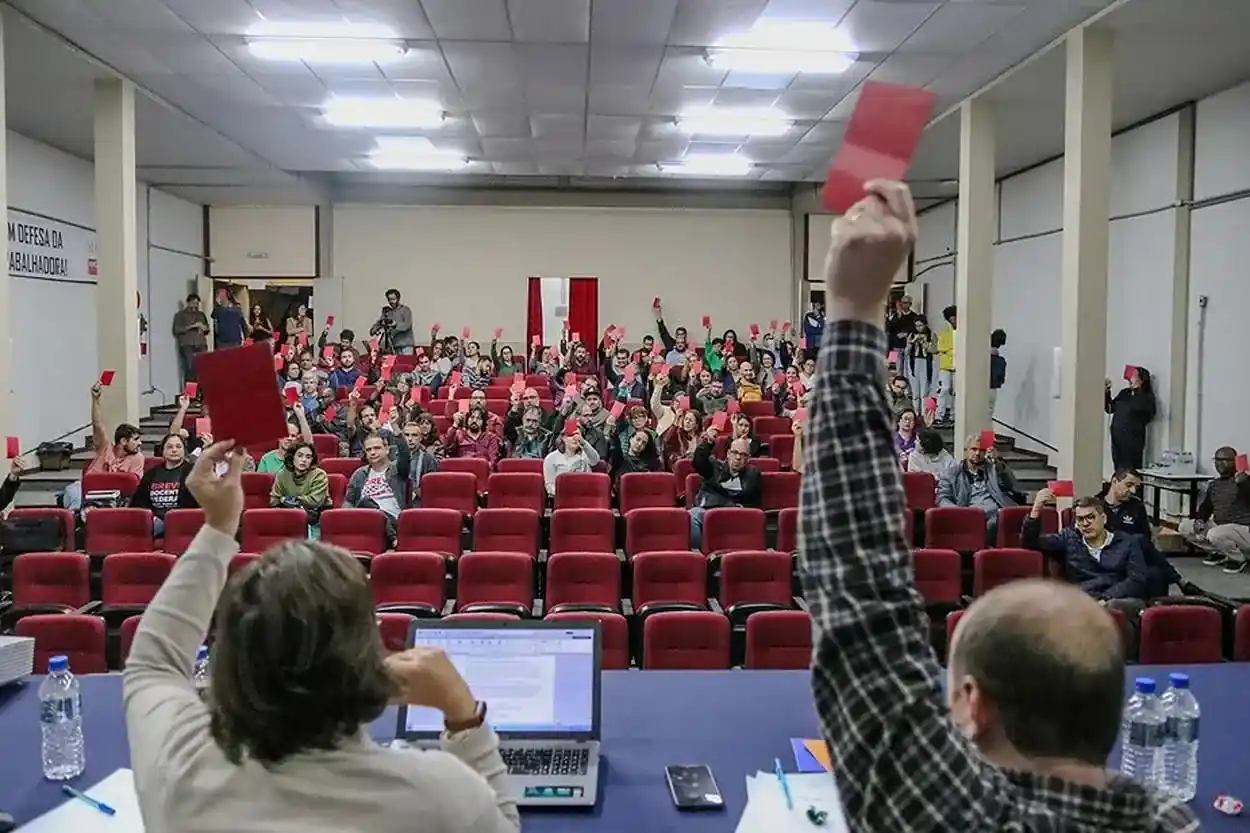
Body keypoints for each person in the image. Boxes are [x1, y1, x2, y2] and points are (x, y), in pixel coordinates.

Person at [799, 179, 1196, 833]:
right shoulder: (1172, 823)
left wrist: (851, 307)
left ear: (970, 706)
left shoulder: (937, 813)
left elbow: (859, 599)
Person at [122, 442, 520, 833]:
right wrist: (463, 716)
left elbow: (152, 663)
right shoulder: (436, 795)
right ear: (369, 660)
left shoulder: (180, 769)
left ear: (229, 659)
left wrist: (217, 526)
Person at [63, 383, 146, 511]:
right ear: (123, 441)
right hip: (87, 489)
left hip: (112, 495)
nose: (140, 443)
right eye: (136, 440)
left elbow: (132, 487)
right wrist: (95, 399)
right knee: (76, 495)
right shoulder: (105, 448)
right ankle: (77, 519)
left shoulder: (137, 458)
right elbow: (98, 425)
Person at [1179, 445, 1250, 574]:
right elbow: (1206, 507)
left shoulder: (1244, 480)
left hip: (1244, 529)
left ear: (1235, 461)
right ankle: (1220, 552)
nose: (1219, 463)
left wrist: (1245, 483)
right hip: (1221, 527)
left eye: (1224, 460)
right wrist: (1200, 520)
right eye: (1217, 460)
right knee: (1185, 527)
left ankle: (1238, 559)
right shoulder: (1214, 485)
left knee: (1215, 533)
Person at [937, 434, 1017, 545]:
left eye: (982, 450)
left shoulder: (994, 468)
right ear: (966, 450)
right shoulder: (952, 473)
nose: (978, 453)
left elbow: (1010, 485)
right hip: (969, 515)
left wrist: (997, 462)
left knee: (994, 524)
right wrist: (959, 511)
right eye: (974, 449)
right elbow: (942, 499)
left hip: (995, 514)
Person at [689, 430, 762, 550]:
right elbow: (699, 461)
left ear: (748, 458)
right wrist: (708, 443)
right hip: (709, 510)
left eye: (743, 455)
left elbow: (755, 502)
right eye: (735, 453)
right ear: (728, 454)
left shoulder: (753, 475)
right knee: (693, 515)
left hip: (735, 516)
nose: (738, 458)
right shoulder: (714, 467)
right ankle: (701, 553)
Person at [344, 432, 412, 542]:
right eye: (369, 450)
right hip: (366, 521)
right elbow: (349, 501)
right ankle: (392, 539)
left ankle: (392, 537)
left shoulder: (397, 470)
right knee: (365, 503)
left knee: (365, 503)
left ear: (387, 449)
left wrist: (398, 434)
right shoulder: (359, 474)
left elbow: (405, 455)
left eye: (377, 448)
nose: (372, 452)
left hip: (393, 520)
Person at [130, 434, 197, 535]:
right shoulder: (151, 474)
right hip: (154, 521)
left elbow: (197, 504)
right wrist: (151, 517)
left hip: (182, 521)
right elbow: (138, 502)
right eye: (170, 447)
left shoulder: (194, 473)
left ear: (184, 450)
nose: (174, 450)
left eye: (178, 447)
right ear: (163, 451)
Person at [1105, 367, 1157, 471]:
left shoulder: (1146, 396)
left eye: (1134, 375)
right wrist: (1106, 392)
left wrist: (1137, 391)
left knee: (1131, 468)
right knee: (1118, 466)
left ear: (1141, 379)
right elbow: (1110, 408)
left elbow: (1148, 414)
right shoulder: (1125, 393)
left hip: (1133, 438)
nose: (1130, 377)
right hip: (1117, 437)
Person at [269, 440, 331, 527]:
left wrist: (287, 500)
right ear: (292, 457)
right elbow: (274, 500)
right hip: (288, 516)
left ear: (312, 460)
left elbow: (314, 502)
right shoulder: (282, 474)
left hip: (316, 519)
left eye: (308, 457)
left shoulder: (319, 475)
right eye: (300, 455)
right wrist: (286, 502)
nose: (304, 460)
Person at [542, 426, 600, 497]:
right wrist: (566, 494)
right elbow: (550, 486)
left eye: (578, 435)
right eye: (571, 435)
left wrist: (583, 443)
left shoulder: (586, 455)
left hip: (585, 496)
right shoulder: (551, 458)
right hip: (563, 498)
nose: (575, 438)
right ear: (563, 438)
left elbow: (595, 461)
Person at [257, 410, 315, 474]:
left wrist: (300, 415)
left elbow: (309, 444)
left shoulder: (300, 457)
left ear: (297, 439)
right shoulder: (266, 458)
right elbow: (260, 479)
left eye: (293, 436)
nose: (289, 438)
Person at [1098, 469, 1151, 538]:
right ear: (1114, 481)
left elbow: (1145, 537)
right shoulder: (1095, 505)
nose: (1133, 491)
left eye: (1136, 487)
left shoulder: (1137, 506)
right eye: (1129, 485)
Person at [172, 293, 210, 384]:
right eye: (193, 303)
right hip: (187, 344)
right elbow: (176, 330)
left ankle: (201, 390)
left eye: (197, 304)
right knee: (190, 367)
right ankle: (190, 390)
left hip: (201, 343)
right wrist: (192, 326)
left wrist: (204, 328)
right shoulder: (180, 315)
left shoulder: (201, 314)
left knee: (202, 367)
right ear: (188, 302)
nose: (195, 306)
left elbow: (207, 329)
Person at [904, 315, 936, 413]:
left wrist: (924, 343)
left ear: (925, 325)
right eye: (916, 326)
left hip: (926, 362)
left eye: (920, 325)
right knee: (915, 391)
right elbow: (906, 352)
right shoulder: (911, 335)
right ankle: (916, 412)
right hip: (914, 362)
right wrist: (911, 343)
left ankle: (924, 413)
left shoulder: (931, 334)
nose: (918, 328)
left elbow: (934, 350)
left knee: (925, 390)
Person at [934, 304, 957, 426]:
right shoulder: (944, 332)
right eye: (951, 319)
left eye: (955, 319)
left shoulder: (963, 332)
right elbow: (940, 347)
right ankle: (939, 415)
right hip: (945, 366)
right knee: (943, 389)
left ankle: (954, 416)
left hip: (958, 367)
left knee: (956, 392)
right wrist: (951, 351)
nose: (953, 321)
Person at [373, 288, 415, 354]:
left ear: (398, 299)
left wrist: (395, 324)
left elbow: (407, 325)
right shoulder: (387, 311)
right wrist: (374, 329)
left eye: (393, 299)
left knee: (406, 360)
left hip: (406, 344)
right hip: (394, 345)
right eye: (389, 299)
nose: (391, 301)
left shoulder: (405, 309)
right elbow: (381, 322)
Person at [989, 328, 1007, 425]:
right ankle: (988, 434)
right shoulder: (1001, 362)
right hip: (992, 389)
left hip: (979, 389)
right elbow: (1001, 380)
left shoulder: (981, 358)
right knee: (988, 417)